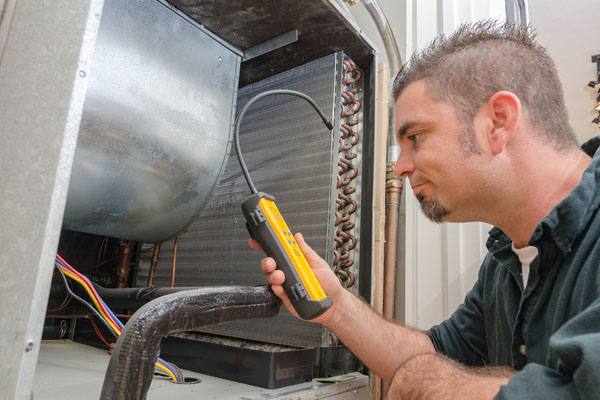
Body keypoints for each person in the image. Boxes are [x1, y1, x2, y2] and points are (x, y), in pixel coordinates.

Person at [251, 20, 600, 399]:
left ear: (498, 121)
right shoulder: (505, 260)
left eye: (415, 137)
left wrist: (431, 382)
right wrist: (335, 307)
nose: (400, 167)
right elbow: (442, 353)